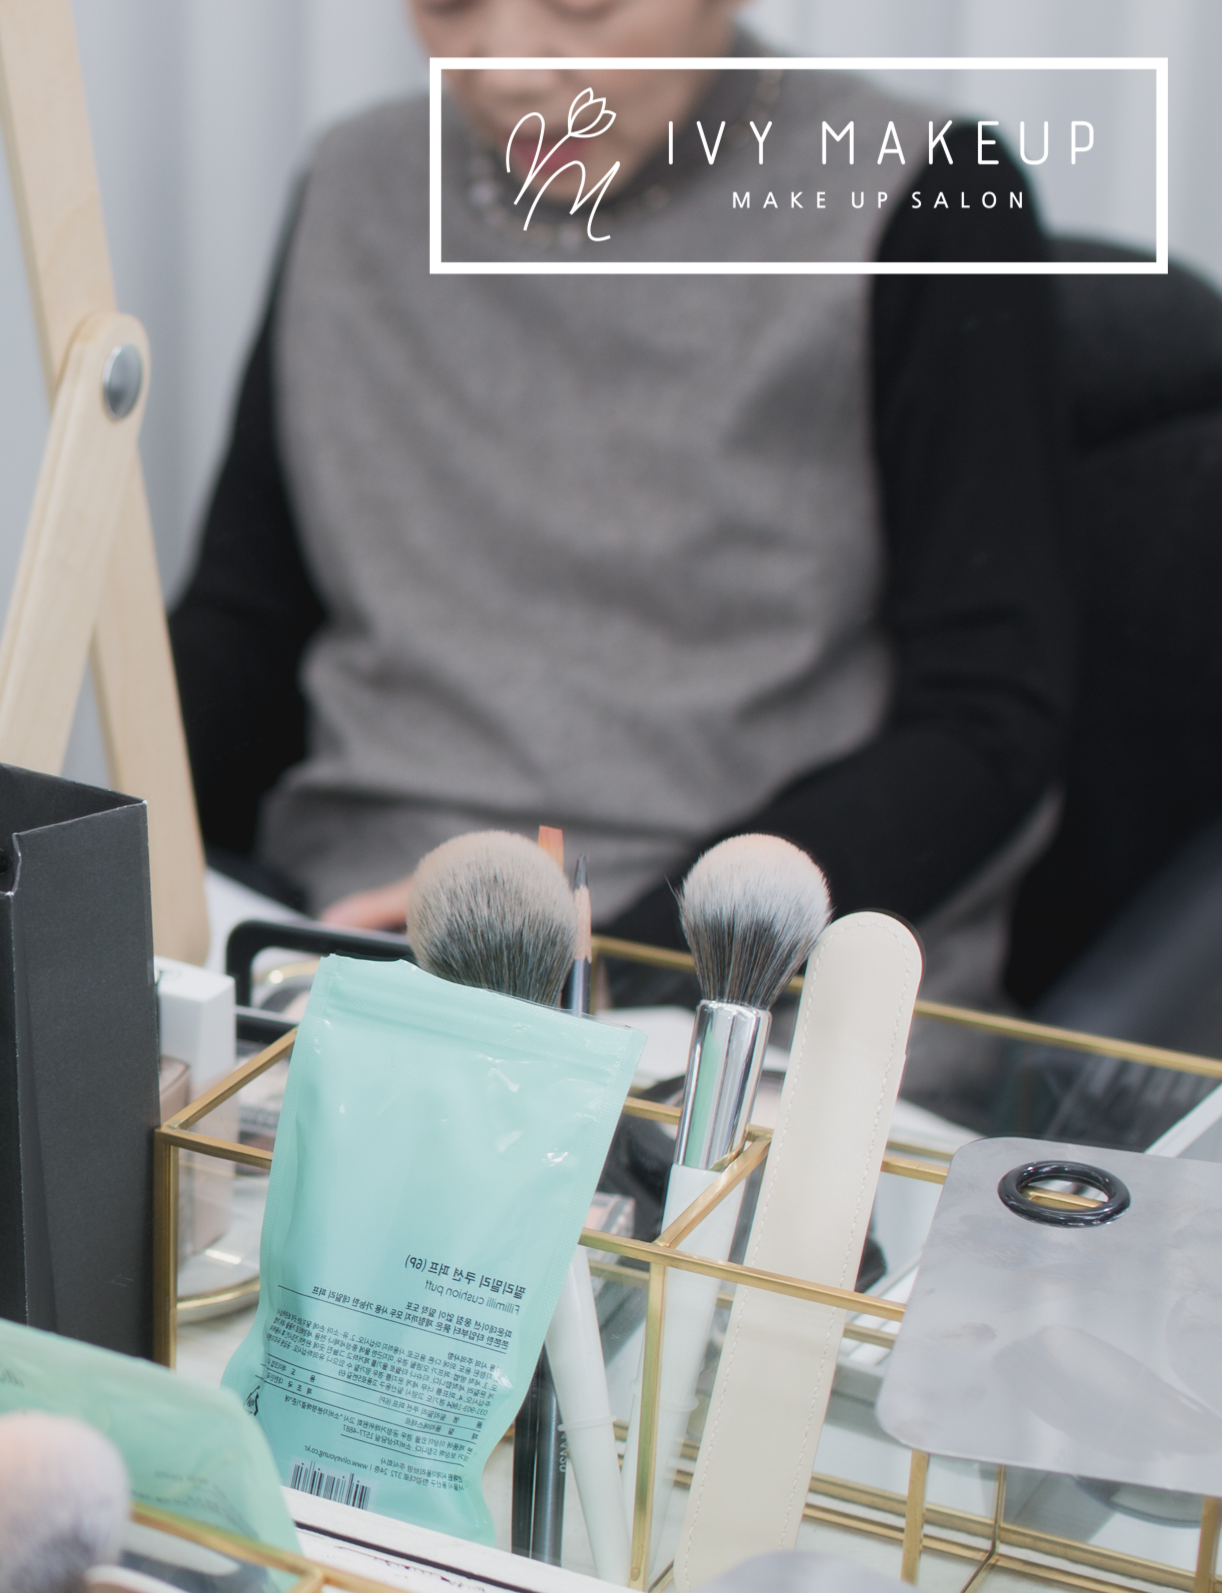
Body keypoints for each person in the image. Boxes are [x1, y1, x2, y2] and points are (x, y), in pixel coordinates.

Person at [170, 0, 1071, 1012]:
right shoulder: (355, 183)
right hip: (348, 935)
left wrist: (619, 962)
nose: (505, 68)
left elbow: (987, 721)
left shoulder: (923, 194)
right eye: (450, 3)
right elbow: (244, 626)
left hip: (739, 976)